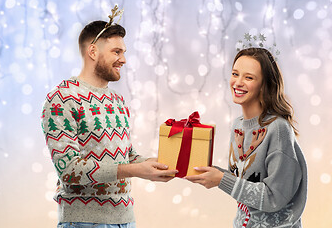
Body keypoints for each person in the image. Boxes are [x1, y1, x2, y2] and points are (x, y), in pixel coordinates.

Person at [41, 16, 178, 228]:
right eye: (117, 52)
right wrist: (134, 170)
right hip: (83, 222)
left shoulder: (116, 100)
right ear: (93, 52)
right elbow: (68, 169)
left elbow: (127, 156)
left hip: (126, 220)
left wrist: (156, 165)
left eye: (124, 52)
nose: (123, 59)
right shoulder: (62, 98)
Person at [185, 47, 308, 228]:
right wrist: (209, 172)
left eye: (249, 77)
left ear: (264, 85)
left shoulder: (278, 129)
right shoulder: (238, 125)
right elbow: (242, 182)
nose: (238, 82)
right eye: (235, 74)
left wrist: (221, 180)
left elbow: (275, 197)